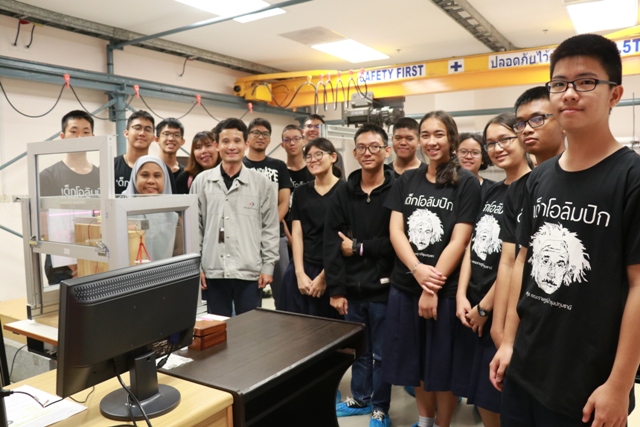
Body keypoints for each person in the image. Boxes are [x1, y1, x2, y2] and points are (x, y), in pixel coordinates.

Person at [490, 34, 640, 426]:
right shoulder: (539, 179)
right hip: (524, 368)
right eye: (559, 83)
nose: (570, 93)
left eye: (586, 81)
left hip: (587, 385)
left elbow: (639, 286)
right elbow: (524, 263)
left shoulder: (631, 177)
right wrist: (509, 341)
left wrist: (619, 385)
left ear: (614, 94)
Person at [383, 111, 481, 427]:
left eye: (438, 134)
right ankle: (425, 421)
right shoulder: (407, 179)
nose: (431, 141)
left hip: (445, 291)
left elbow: (460, 239)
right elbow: (396, 231)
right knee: (415, 364)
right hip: (406, 286)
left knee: (442, 366)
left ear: (451, 138)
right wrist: (416, 269)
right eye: (425, 135)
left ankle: (442, 424)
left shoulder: (466, 182)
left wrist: (431, 286)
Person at [452, 113, 530, 427]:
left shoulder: (532, 189)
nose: (497, 148)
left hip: (500, 313)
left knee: (498, 399)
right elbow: (471, 245)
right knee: (481, 398)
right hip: (474, 309)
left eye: (505, 139)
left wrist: (485, 307)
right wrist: (461, 294)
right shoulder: (492, 190)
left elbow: (516, 261)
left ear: (523, 137)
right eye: (491, 143)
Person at [325, 124, 395, 427]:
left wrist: (358, 247)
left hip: (385, 288)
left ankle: (380, 407)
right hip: (352, 289)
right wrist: (336, 289)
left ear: (387, 151)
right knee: (360, 350)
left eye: (374, 146)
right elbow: (332, 242)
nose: (368, 152)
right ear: (354, 153)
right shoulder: (344, 191)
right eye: (362, 148)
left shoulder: (397, 189)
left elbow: (396, 242)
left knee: (382, 353)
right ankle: (360, 398)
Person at [489, 86, 565, 349]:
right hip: (525, 318)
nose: (527, 130)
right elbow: (509, 261)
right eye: (520, 124)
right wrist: (499, 327)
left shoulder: (587, 182)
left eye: (538, 119)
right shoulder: (519, 189)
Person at [190, 118, 279, 317]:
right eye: (226, 141)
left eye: (237, 141)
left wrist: (268, 266)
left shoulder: (261, 184)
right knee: (217, 328)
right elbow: (195, 228)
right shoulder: (202, 182)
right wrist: (197, 267)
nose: (231, 147)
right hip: (213, 271)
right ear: (216, 145)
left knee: (249, 329)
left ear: (246, 144)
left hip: (249, 271)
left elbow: (270, 228)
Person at [281, 138, 344, 318]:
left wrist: (324, 277)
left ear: (333, 157)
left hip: (332, 270)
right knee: (294, 326)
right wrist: (299, 273)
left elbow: (344, 237)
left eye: (318, 154)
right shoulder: (301, 192)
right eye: (308, 156)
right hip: (302, 267)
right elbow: (297, 233)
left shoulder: (346, 190)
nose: (313, 160)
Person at [40, 110, 100, 284]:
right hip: (62, 266)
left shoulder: (102, 176)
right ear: (63, 136)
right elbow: (44, 228)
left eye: (86, 132)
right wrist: (74, 265)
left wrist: (89, 262)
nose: (80, 137)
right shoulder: (48, 176)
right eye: (74, 131)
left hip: (96, 260)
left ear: (93, 137)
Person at [243, 117, 293, 309]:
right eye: (256, 132)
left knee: (284, 292)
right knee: (250, 293)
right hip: (247, 238)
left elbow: (284, 202)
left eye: (265, 133)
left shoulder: (278, 166)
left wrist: (268, 227)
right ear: (247, 137)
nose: (260, 137)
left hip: (275, 237)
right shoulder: (241, 165)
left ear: (270, 139)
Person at [123, 155, 179, 262]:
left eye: (157, 176)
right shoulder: (120, 209)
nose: (151, 181)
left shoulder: (171, 215)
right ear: (135, 178)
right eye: (144, 175)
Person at [303, 114, 347, 180]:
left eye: (317, 126)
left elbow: (340, 180)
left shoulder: (333, 154)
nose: (312, 129)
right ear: (303, 131)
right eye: (309, 126)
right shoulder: (298, 154)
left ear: (324, 130)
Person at [457, 132, 494, 198]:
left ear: (483, 159)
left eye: (475, 152)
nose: (468, 156)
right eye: (463, 152)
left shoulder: (493, 189)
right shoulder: (445, 186)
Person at [156, 117, 186, 182]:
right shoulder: (149, 170)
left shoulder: (186, 175)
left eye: (176, 135)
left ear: (182, 141)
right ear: (157, 139)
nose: (171, 139)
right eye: (166, 134)